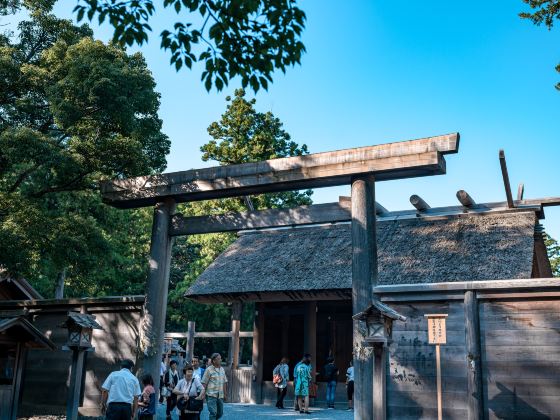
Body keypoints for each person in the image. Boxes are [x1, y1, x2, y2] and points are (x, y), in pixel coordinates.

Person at [199, 352, 228, 420]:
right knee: (213, 412)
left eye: (220, 358)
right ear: (214, 361)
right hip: (211, 395)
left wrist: (225, 394)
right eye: (218, 359)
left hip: (220, 395)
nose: (220, 360)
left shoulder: (222, 369)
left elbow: (224, 382)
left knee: (220, 413)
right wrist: (202, 394)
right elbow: (204, 383)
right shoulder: (208, 370)